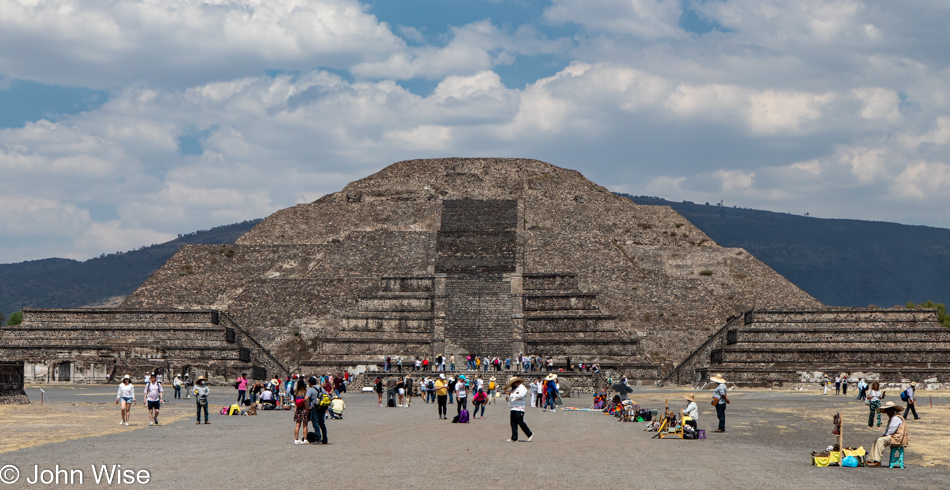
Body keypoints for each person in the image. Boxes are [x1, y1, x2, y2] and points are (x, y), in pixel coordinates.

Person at [866, 401, 908, 466]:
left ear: (893, 410)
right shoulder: (892, 417)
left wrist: (885, 436)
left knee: (880, 441)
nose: (887, 413)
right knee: (876, 440)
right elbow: (888, 430)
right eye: (887, 411)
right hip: (893, 436)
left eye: (889, 410)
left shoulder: (896, 417)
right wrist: (884, 435)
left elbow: (891, 431)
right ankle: (871, 459)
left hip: (897, 438)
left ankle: (877, 461)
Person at [506, 377, 533, 442]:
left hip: (520, 408)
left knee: (520, 421)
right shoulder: (514, 389)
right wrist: (508, 398)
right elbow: (512, 397)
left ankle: (529, 433)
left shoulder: (522, 388)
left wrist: (512, 395)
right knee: (513, 423)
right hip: (513, 408)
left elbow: (521, 395)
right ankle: (514, 437)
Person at [306, 377, 328, 445]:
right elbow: (327, 396)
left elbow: (306, 398)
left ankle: (318, 439)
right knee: (322, 424)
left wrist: (307, 407)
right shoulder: (321, 388)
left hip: (314, 408)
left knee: (315, 423)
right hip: (322, 407)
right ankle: (325, 439)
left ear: (310, 383)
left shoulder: (311, 389)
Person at [292, 379, 309, 444]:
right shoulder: (304, 392)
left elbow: (296, 404)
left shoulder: (296, 393)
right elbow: (305, 402)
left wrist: (295, 412)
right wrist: (307, 409)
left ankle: (296, 439)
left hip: (298, 409)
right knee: (305, 426)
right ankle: (305, 439)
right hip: (303, 409)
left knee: (297, 425)